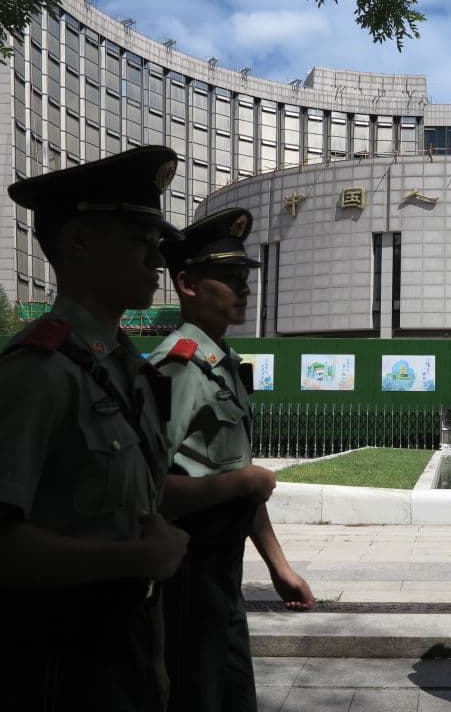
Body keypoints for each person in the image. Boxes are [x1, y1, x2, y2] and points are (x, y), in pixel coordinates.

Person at [0, 145, 191, 711]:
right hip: (46, 669)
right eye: (141, 240)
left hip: (118, 655)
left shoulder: (124, 369)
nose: (157, 257)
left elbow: (138, 520)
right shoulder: (37, 371)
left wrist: (153, 659)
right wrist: (135, 562)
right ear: (79, 242)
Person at [149, 208, 314, 712]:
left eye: (245, 278)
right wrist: (238, 483)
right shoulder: (176, 368)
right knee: (198, 695)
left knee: (234, 694)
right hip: (186, 573)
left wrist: (279, 567)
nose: (244, 289)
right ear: (187, 284)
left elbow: (237, 475)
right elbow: (145, 487)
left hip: (223, 574)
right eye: (229, 278)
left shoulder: (223, 365)